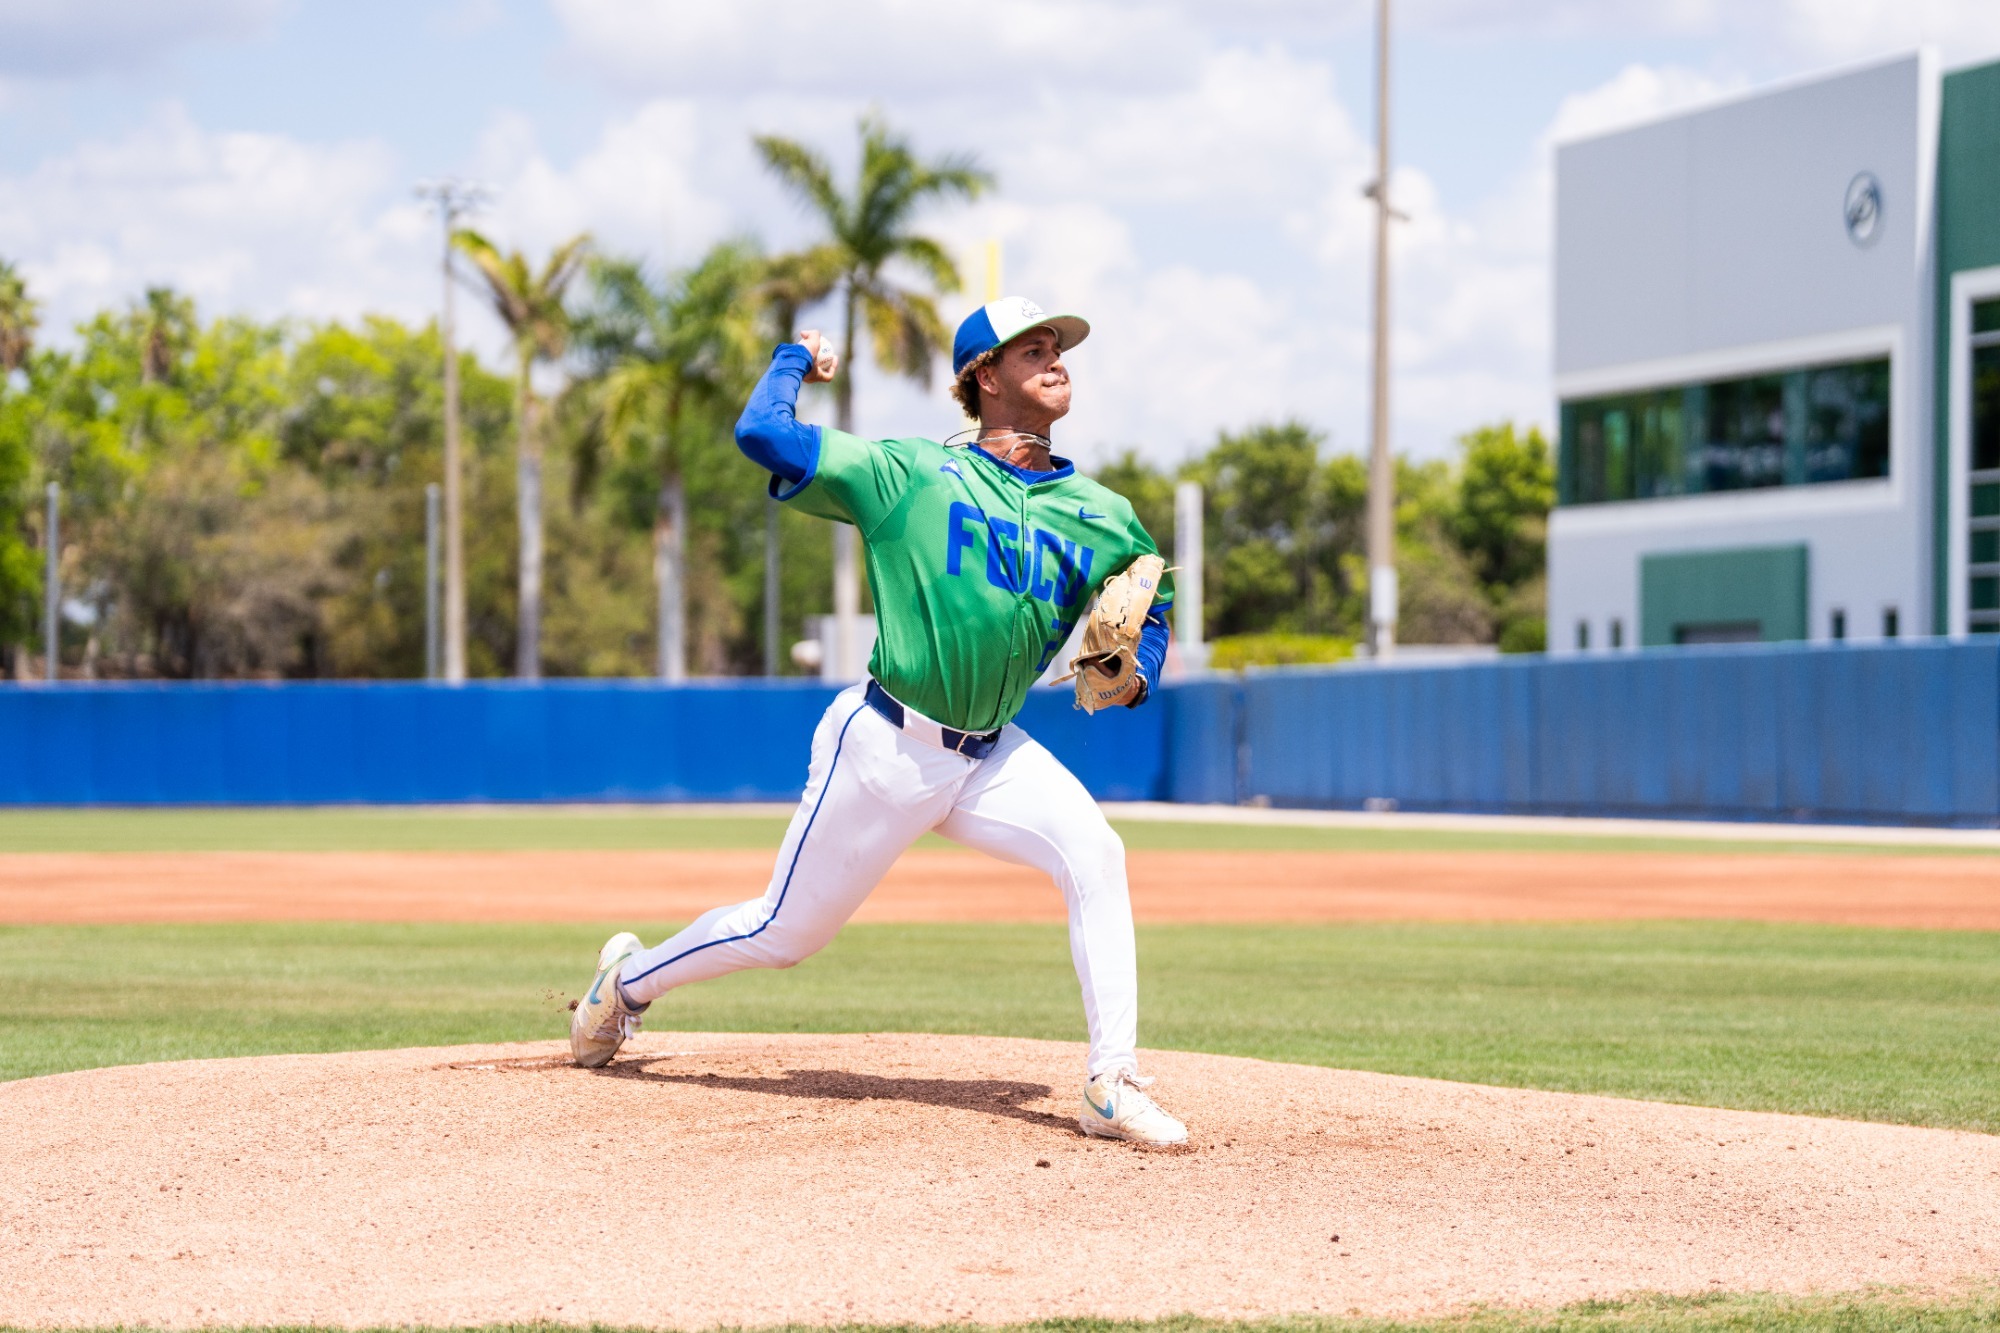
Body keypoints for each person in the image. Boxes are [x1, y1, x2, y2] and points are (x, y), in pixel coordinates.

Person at [568, 296, 1186, 1146]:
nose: (1057, 358)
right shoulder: (909, 475)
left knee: (1097, 853)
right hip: (890, 744)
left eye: (1060, 346)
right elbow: (763, 436)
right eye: (1032, 347)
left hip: (993, 753)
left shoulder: (1101, 511)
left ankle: (1109, 1081)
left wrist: (1141, 666)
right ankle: (626, 984)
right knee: (783, 932)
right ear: (983, 376)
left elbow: (1155, 594)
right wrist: (794, 360)